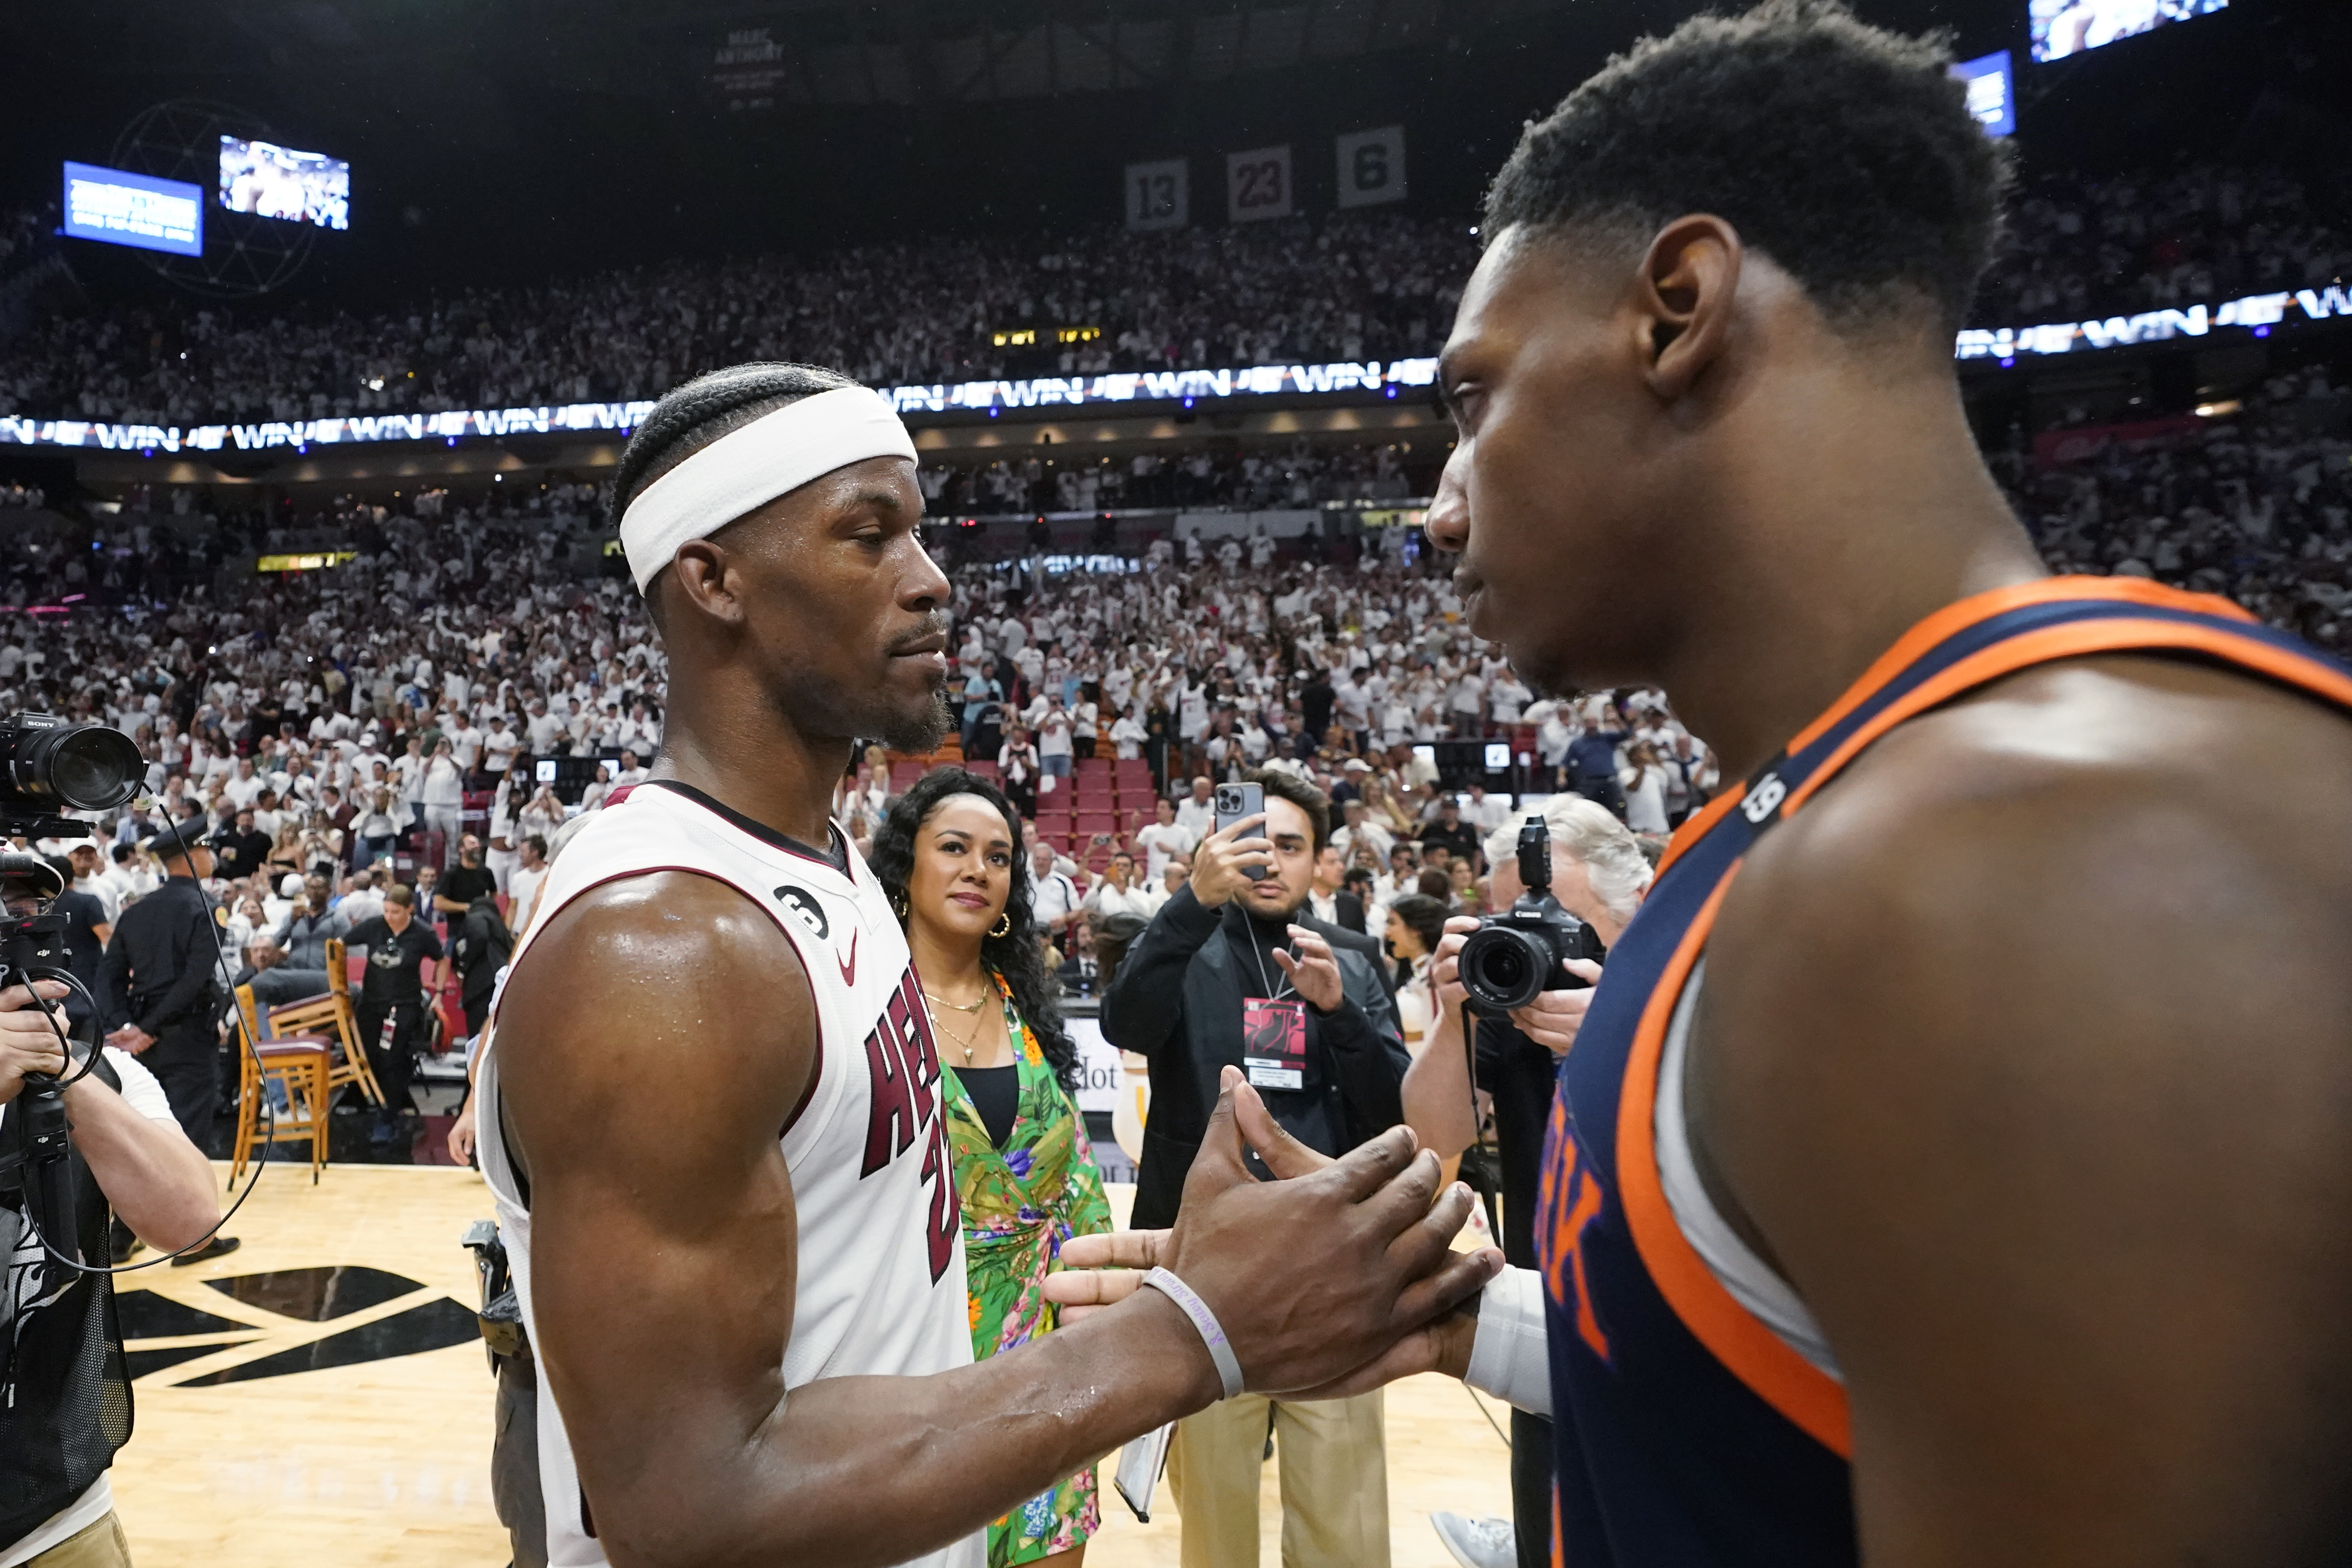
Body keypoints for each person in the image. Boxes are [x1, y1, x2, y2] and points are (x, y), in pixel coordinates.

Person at [1412, 3, 2352, 1560]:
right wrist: (1445, 1316)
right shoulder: (1816, 817)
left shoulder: (2027, 858)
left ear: (1676, 308)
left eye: (1469, 398)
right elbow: (1775, 1405)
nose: (1439, 510)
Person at [473, 363, 1495, 1568]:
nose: (932, 577)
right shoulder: (663, 952)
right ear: (712, 578)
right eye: (871, 534)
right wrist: (1196, 1330)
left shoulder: (836, 864)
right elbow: (694, 1504)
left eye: (920, 528)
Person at [1101, 766, 1411, 1568]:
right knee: (1215, 1525)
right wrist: (1189, 903)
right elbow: (1125, 1022)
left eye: (1290, 844)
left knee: (1345, 1524)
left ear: (1319, 862)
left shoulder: (1347, 955)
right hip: (1205, 1273)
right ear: (1221, 847)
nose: (1270, 858)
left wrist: (1340, 1011)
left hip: (1333, 1271)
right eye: (1254, 840)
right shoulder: (1183, 938)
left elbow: (1390, 1110)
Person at [869, 769, 1113, 1567]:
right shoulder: (863, 1005)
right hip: (902, 1364)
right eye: (953, 848)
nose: (978, 867)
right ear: (904, 867)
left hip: (1040, 1369)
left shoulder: (1022, 1005)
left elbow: (1075, 1189)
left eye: (998, 855)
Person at [1402, 797, 1643, 1568]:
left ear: (1629, 909)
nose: (1530, 938)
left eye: (1556, 918)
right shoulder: (1511, 1005)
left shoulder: (1693, 985)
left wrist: (1627, 1031)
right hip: (1546, 1325)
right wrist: (1451, 1017)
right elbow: (1434, 1138)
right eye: (1513, 918)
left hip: (1669, 1327)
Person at [0, 861, 221, 1567]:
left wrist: (65, 1077)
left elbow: (191, 1220)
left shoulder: (104, 1075)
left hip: (54, 1515)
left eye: (30, 910)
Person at [98, 823, 235, 1189]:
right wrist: (146, 1029)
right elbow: (193, 981)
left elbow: (108, 976)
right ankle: (192, 1239)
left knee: (141, 1135)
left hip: (142, 1039)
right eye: (206, 849)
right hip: (185, 1035)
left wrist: (128, 1026)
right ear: (192, 856)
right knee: (188, 1136)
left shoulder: (137, 911)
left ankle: (126, 1236)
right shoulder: (207, 908)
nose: (211, 856)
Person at [344, 884, 445, 1146]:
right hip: (371, 1004)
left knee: (393, 1059)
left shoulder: (422, 933)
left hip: (404, 1005)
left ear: (410, 909)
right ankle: (374, 1105)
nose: (389, 916)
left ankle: (388, 1116)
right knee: (369, 1055)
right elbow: (340, 943)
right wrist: (339, 982)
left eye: (396, 912)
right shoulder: (374, 926)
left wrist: (439, 993)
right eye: (386, 910)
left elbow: (441, 959)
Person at [1380, 893, 1449, 1057]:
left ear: (1415, 930)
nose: (1387, 932)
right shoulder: (1422, 972)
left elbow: (1435, 1044)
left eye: (1392, 923)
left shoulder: (1434, 976)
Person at [1305, 842, 1367, 933]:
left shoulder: (1352, 904)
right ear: (1314, 867)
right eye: (1332, 863)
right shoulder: (1296, 905)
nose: (1341, 867)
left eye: (1340, 861)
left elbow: (1361, 944)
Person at [434, 833, 498, 917]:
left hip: (480, 923)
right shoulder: (451, 874)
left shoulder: (486, 872)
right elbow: (438, 904)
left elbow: (494, 894)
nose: (477, 846)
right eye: (472, 843)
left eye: (478, 843)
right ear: (462, 849)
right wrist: (467, 907)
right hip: (459, 925)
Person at [504, 835, 550, 936]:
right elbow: (513, 907)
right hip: (518, 932)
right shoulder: (518, 878)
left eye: (523, 852)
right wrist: (508, 931)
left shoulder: (550, 875)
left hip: (541, 932)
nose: (520, 855)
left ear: (535, 852)